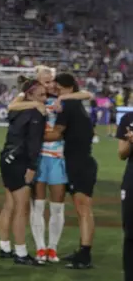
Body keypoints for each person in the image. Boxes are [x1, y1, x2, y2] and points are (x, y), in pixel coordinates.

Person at [7, 66, 93, 262]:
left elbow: (87, 94)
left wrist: (63, 98)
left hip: (57, 158)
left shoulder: (62, 99)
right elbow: (12, 106)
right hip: (37, 158)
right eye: (46, 81)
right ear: (37, 82)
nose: (50, 84)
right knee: (37, 205)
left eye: (52, 80)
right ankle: (40, 247)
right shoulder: (30, 100)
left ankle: (52, 248)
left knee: (57, 206)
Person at [44, 73, 97, 270]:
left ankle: (84, 255)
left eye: (57, 87)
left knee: (83, 210)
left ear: (66, 87)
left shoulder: (70, 106)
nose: (55, 90)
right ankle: (83, 250)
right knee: (83, 210)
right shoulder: (74, 104)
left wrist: (30, 134)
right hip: (82, 161)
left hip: (79, 163)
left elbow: (56, 133)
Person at [0, 79, 47, 266]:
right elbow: (34, 143)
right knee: (21, 208)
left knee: (9, 204)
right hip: (20, 161)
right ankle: (21, 252)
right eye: (41, 95)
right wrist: (33, 167)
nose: (44, 98)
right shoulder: (36, 113)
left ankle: (4, 247)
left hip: (6, 158)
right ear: (30, 96)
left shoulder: (16, 110)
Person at [116, 109, 133, 281]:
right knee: (130, 232)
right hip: (131, 180)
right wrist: (130, 142)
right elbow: (121, 154)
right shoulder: (128, 119)